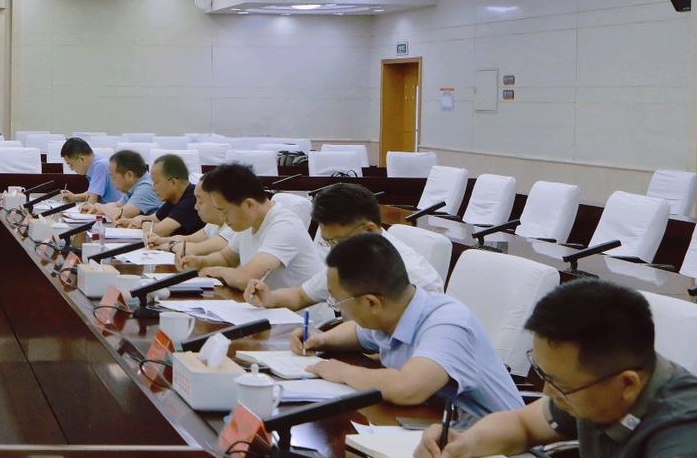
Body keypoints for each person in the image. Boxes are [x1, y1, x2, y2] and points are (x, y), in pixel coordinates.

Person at [415, 280, 697, 458]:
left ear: (627, 384)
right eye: (544, 375)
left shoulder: (689, 421)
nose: (547, 392)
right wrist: (466, 443)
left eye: (560, 384)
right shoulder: (595, 389)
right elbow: (521, 424)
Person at [292, 233, 522, 420]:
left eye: (338, 301)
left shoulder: (447, 323)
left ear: (372, 303)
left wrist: (342, 372)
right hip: (438, 428)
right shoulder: (394, 312)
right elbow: (358, 332)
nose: (338, 308)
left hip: (504, 450)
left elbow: (408, 388)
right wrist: (321, 339)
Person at [245, 183, 442, 312]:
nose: (333, 252)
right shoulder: (351, 258)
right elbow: (301, 296)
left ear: (370, 230)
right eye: (327, 242)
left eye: (338, 242)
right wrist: (269, 297)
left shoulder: (413, 279)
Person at [183, 163, 322, 292]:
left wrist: (217, 271)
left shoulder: (284, 226)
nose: (222, 218)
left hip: (296, 311)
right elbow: (226, 258)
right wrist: (199, 262)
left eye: (224, 212)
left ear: (248, 204)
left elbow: (245, 279)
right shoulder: (247, 221)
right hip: (265, 306)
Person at [115, 154, 203, 235]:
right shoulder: (174, 198)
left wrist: (142, 223)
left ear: (173, 182)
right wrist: (130, 221)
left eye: (156, 183)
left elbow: (158, 230)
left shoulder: (193, 199)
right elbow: (153, 218)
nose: (153, 188)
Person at [91, 150, 164, 220]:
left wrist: (99, 207)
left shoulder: (146, 188)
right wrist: (94, 207)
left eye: (113, 177)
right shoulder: (134, 185)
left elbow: (121, 214)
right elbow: (118, 204)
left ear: (129, 175)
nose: (112, 181)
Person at [58, 138, 119, 205]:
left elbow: (91, 202)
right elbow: (93, 192)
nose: (71, 169)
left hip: (116, 209)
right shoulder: (96, 162)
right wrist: (74, 197)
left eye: (71, 165)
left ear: (82, 159)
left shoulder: (100, 166)